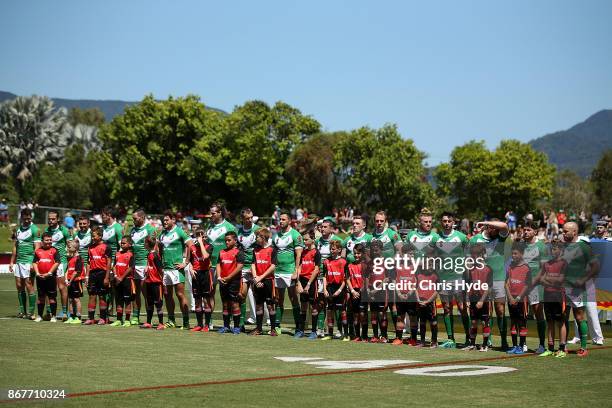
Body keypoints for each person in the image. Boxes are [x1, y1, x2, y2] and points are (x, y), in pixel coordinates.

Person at [469, 218, 510, 350]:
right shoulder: (475, 239)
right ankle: (488, 341)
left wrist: (486, 223)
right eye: (494, 228)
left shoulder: (501, 237)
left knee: (500, 310)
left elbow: (504, 226)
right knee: (485, 312)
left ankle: (504, 340)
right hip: (481, 281)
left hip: (498, 278)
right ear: (489, 228)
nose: (497, 231)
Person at [562, 222, 600, 356]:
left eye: (566, 231)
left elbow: (595, 266)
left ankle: (583, 347)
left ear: (574, 232)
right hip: (562, 288)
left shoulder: (584, 247)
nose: (563, 233)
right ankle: (563, 346)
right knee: (563, 317)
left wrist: (583, 279)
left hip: (577, 289)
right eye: (563, 231)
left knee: (579, 317)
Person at [437, 211, 470, 348]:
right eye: (444, 221)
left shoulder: (462, 237)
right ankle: (451, 339)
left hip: (459, 278)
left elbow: (469, 256)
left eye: (449, 221)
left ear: (453, 222)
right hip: (443, 278)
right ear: (441, 222)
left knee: (462, 308)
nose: (446, 223)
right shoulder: (436, 238)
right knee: (446, 308)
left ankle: (469, 337)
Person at [159, 210, 193, 329]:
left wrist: (186, 262)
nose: (165, 222)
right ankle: (171, 320)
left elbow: (191, 245)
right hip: (166, 269)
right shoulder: (162, 234)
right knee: (167, 294)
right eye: (163, 220)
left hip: (176, 269)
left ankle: (186, 322)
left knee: (179, 294)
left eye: (167, 220)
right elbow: (159, 247)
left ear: (173, 220)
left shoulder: (179, 231)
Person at [272, 211, 304, 335]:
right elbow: (273, 254)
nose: (281, 221)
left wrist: (296, 271)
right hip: (278, 271)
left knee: (293, 299)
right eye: (280, 219)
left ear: (289, 221)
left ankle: (298, 327)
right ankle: (277, 325)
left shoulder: (296, 235)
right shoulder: (276, 236)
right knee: (278, 299)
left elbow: (299, 255)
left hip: (290, 271)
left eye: (284, 219)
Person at [206, 202, 236, 329]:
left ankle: (230, 322)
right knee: (209, 293)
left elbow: (235, 247)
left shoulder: (229, 227)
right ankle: (209, 321)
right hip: (210, 266)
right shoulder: (209, 226)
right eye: (211, 213)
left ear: (219, 213)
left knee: (228, 296)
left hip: (226, 266)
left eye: (213, 213)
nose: (211, 215)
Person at [522, 221, 548, 353]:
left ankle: (542, 344)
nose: (525, 232)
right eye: (524, 230)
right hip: (521, 285)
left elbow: (543, 269)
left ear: (535, 232)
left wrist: (532, 283)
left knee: (538, 314)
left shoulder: (541, 246)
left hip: (536, 285)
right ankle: (523, 343)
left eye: (528, 230)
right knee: (522, 314)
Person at [538, 241, 568, 358]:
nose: (553, 251)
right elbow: (541, 279)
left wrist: (548, 280)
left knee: (561, 322)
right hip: (547, 294)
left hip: (559, 295)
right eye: (552, 249)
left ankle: (561, 349)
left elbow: (560, 280)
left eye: (555, 249)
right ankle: (550, 348)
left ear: (561, 250)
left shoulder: (564, 263)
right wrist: (550, 280)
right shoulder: (547, 264)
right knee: (549, 321)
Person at [9, 208, 40, 319]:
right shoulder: (19, 229)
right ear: (21, 217)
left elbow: (37, 248)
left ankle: (31, 313)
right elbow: (16, 246)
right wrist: (12, 261)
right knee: (19, 286)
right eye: (25, 218)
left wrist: (34, 263)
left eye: (28, 218)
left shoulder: (35, 229)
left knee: (29, 285)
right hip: (19, 262)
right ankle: (22, 311)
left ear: (31, 217)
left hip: (29, 261)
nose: (27, 220)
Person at [315, 218, 343, 336]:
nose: (322, 229)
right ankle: (320, 329)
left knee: (335, 304)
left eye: (325, 227)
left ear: (331, 228)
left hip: (334, 278)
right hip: (321, 276)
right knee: (321, 302)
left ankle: (339, 330)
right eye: (321, 227)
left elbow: (342, 260)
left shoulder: (338, 241)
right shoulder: (318, 241)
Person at [129, 209, 156, 325]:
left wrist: (149, 264)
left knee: (146, 293)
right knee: (135, 292)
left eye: (135, 218)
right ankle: (135, 316)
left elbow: (155, 248)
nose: (133, 221)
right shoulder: (132, 230)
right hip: (134, 264)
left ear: (142, 217)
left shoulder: (150, 229)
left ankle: (149, 318)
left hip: (145, 264)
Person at [45, 210, 72, 320]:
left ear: (58, 219)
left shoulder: (64, 230)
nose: (51, 221)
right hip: (48, 262)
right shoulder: (46, 231)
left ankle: (65, 312)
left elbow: (71, 246)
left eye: (53, 219)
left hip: (61, 262)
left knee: (61, 287)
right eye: (49, 219)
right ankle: (49, 312)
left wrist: (70, 262)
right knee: (47, 288)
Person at [465, 243, 492, 351]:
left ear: (483, 254)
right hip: (473, 298)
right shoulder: (471, 269)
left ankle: (485, 345)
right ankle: (472, 344)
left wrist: (481, 300)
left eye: (477, 254)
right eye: (473, 254)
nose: (474, 257)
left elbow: (489, 288)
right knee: (474, 322)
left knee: (484, 322)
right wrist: (467, 298)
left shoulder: (488, 269)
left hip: (484, 299)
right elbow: (469, 284)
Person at [505, 243, 531, 355]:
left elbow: (527, 285)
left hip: (522, 300)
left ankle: (521, 346)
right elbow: (506, 283)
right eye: (512, 254)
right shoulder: (510, 267)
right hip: (511, 298)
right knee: (513, 322)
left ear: (522, 254)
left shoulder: (526, 268)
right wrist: (510, 297)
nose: (513, 256)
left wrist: (518, 297)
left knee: (522, 323)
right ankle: (514, 346)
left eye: (516, 253)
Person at [251, 228, 278, 336]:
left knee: (270, 305)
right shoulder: (255, 249)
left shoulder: (272, 250)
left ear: (263, 237)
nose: (256, 238)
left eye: (257, 236)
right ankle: (258, 328)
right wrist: (255, 278)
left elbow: (273, 266)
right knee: (259, 306)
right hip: (257, 280)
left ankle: (273, 329)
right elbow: (253, 264)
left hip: (268, 281)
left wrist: (260, 277)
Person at [217, 231, 245, 334]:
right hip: (223, 281)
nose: (227, 242)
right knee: (225, 304)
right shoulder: (221, 252)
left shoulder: (238, 252)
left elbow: (240, 266)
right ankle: (226, 326)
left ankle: (237, 327)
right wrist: (219, 277)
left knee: (234, 303)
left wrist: (229, 277)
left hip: (234, 281)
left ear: (235, 240)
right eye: (226, 240)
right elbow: (219, 264)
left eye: (229, 240)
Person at [84, 227, 112, 325]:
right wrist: (87, 277)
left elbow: (109, 263)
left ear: (100, 236)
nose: (92, 238)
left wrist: (107, 277)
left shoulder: (106, 247)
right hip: (92, 274)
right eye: (92, 236)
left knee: (102, 296)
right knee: (92, 295)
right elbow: (88, 262)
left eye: (94, 236)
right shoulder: (90, 247)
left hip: (102, 273)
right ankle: (90, 318)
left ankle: (103, 318)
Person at [237, 208, 260, 329]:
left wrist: (256, 265)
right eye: (247, 218)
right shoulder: (238, 231)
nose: (250, 220)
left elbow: (263, 248)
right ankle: (241, 324)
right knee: (242, 294)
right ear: (242, 219)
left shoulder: (258, 230)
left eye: (251, 217)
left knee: (259, 295)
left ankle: (261, 323)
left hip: (256, 267)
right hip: (243, 266)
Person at [321, 240, 348, 340]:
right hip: (330, 288)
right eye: (330, 249)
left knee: (342, 311)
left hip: (340, 288)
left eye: (333, 249)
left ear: (339, 250)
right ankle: (330, 334)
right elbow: (324, 276)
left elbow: (346, 279)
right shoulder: (326, 261)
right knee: (329, 310)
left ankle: (345, 334)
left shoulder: (343, 262)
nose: (331, 251)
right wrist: (324, 289)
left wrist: (340, 290)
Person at [296, 230, 321, 338]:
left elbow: (316, 270)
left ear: (313, 240)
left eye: (306, 239)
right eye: (303, 239)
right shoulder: (303, 252)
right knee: (303, 306)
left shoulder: (316, 253)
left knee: (313, 307)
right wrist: (298, 282)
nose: (304, 241)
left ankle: (314, 331)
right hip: (302, 281)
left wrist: (309, 284)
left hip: (311, 282)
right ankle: (300, 330)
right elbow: (299, 267)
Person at [392, 244, 418, 346]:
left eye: (413, 254)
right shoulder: (398, 265)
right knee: (400, 317)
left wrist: (410, 293)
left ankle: (413, 339)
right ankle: (398, 338)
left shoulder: (415, 266)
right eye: (409, 254)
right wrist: (399, 293)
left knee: (413, 318)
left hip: (411, 296)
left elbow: (416, 281)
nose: (412, 256)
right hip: (400, 296)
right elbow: (394, 280)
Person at [32, 232, 60, 322]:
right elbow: (34, 263)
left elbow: (57, 262)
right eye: (47, 240)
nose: (49, 242)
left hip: (50, 277)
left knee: (52, 297)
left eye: (50, 240)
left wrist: (49, 273)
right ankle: (39, 316)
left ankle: (53, 316)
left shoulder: (55, 250)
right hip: (40, 277)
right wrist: (37, 273)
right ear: (42, 241)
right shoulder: (38, 251)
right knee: (41, 297)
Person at [189, 227, 213, 331]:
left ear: (204, 236)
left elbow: (206, 256)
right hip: (196, 275)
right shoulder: (192, 247)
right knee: (197, 301)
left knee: (206, 301)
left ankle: (206, 325)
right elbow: (189, 260)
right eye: (197, 235)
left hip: (205, 274)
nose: (199, 237)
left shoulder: (209, 246)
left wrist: (201, 243)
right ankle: (199, 324)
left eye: (201, 235)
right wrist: (190, 268)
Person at [366, 240, 388, 343]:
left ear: (381, 249)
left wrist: (376, 289)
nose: (375, 251)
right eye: (373, 249)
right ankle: (375, 335)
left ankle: (384, 336)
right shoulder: (370, 262)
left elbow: (387, 279)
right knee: (373, 314)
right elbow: (367, 276)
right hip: (371, 291)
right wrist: (368, 290)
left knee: (381, 314)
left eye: (377, 249)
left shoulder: (386, 262)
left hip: (382, 291)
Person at [110, 237, 136, 327]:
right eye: (121, 243)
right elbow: (114, 266)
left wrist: (122, 277)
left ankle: (127, 320)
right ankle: (118, 319)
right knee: (119, 300)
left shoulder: (131, 255)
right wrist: (116, 276)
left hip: (127, 280)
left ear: (129, 244)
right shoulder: (117, 254)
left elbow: (130, 267)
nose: (122, 244)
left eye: (124, 243)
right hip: (118, 280)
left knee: (127, 301)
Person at [142, 236, 165, 330]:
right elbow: (151, 266)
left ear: (148, 244)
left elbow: (161, 270)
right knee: (150, 302)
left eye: (145, 242)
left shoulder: (155, 255)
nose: (144, 244)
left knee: (158, 303)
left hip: (156, 283)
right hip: (149, 281)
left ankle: (161, 323)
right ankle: (148, 322)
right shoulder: (149, 254)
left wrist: (162, 282)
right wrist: (147, 269)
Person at [416, 255, 439, 348]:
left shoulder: (435, 275)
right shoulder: (419, 275)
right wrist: (418, 299)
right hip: (420, 302)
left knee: (433, 322)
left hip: (430, 303)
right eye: (427, 264)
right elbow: (415, 288)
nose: (429, 266)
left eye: (430, 264)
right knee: (422, 322)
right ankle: (422, 342)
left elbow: (437, 291)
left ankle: (434, 342)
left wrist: (428, 301)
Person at [346, 243, 368, 342]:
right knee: (355, 314)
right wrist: (352, 291)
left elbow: (367, 279)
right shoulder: (350, 265)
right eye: (355, 253)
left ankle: (364, 336)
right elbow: (347, 279)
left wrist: (361, 290)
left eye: (358, 253)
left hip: (363, 292)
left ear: (363, 253)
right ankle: (357, 336)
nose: (356, 255)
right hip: (353, 292)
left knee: (363, 314)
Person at [64, 241, 84, 324]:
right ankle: (71, 317)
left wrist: (70, 281)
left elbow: (77, 272)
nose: (67, 249)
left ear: (75, 248)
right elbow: (68, 270)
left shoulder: (79, 258)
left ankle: (78, 318)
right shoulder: (70, 258)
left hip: (76, 281)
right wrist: (66, 279)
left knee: (76, 299)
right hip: (69, 281)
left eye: (69, 247)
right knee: (70, 300)